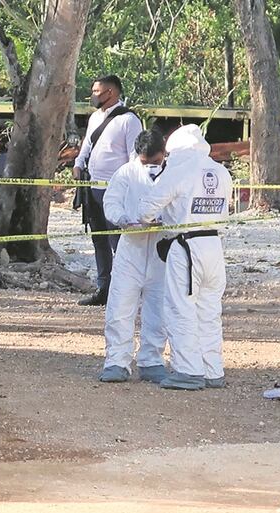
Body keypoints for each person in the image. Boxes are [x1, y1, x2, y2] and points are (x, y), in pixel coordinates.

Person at [134, 124, 232, 390]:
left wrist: (152, 218)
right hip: (214, 246)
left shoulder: (179, 169)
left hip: (186, 246)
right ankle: (212, 370)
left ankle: (188, 370)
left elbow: (146, 209)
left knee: (181, 308)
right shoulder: (220, 171)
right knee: (209, 311)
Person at [98, 128, 169, 383]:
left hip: (161, 249)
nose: (151, 166)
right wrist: (123, 219)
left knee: (158, 307)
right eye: (146, 161)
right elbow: (111, 203)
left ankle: (152, 360)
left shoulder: (173, 173)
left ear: (164, 152)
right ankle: (117, 361)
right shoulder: (126, 173)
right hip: (131, 249)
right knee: (120, 306)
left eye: (156, 161)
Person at [72, 74, 143, 306]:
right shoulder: (95, 118)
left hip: (115, 190)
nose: (93, 96)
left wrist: (131, 188)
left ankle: (125, 290)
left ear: (110, 92)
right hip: (92, 187)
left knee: (118, 242)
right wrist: (78, 164)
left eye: (96, 92)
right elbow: (87, 144)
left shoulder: (129, 120)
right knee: (99, 239)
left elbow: (134, 157)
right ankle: (104, 288)